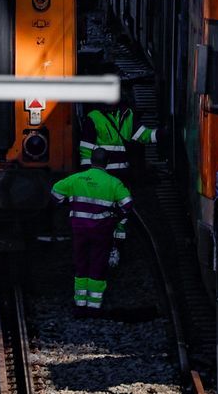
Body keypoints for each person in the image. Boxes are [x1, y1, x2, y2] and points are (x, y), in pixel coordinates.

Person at [50, 151, 134, 316]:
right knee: (97, 264)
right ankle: (93, 307)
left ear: (91, 161)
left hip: (79, 229)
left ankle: (79, 305)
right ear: (107, 163)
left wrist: (68, 204)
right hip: (101, 230)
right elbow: (127, 205)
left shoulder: (76, 179)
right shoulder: (113, 183)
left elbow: (55, 193)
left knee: (80, 264)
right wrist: (115, 215)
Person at [78, 94, 157, 175]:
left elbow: (143, 134)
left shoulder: (128, 114)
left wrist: (159, 134)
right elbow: (86, 148)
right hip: (104, 174)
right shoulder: (93, 117)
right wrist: (88, 173)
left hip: (124, 174)